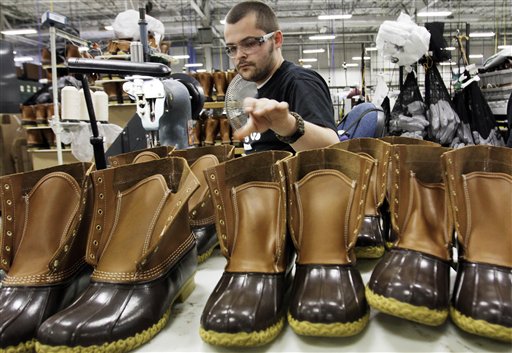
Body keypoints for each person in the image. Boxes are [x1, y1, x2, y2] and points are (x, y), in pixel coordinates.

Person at [224, 0, 339, 153]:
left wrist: (288, 125)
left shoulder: (299, 82)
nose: (239, 55)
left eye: (250, 43)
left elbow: (333, 150)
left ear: (276, 39)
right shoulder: (254, 89)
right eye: (232, 48)